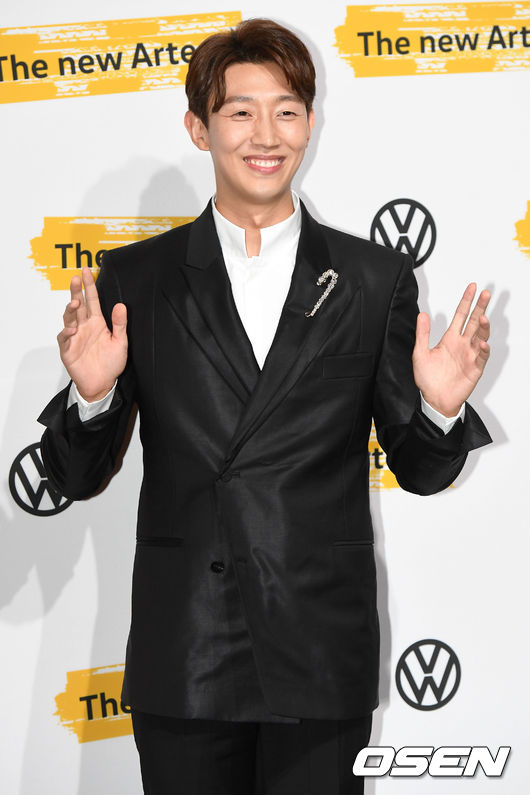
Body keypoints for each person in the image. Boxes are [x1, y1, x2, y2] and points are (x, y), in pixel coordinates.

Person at [38, 18, 492, 795]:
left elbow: (419, 470)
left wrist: (439, 409)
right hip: (188, 650)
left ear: (310, 123)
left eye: (286, 111)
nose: (266, 135)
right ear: (199, 127)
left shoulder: (372, 279)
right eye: (240, 112)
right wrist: (93, 394)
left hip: (318, 647)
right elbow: (75, 477)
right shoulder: (138, 280)